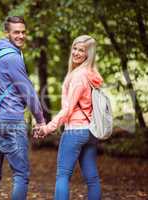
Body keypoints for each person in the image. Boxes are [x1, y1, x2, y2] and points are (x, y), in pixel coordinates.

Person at [0, 16, 45, 200]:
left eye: (23, 32)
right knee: (21, 175)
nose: (21, 36)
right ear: (7, 33)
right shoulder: (12, 57)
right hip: (11, 121)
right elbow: (28, 92)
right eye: (16, 32)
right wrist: (41, 120)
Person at [34, 35, 103, 200]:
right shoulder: (92, 74)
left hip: (75, 131)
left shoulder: (78, 76)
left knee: (63, 176)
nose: (77, 53)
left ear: (89, 54)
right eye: (75, 48)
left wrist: (47, 128)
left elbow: (68, 109)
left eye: (82, 50)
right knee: (92, 178)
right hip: (90, 132)